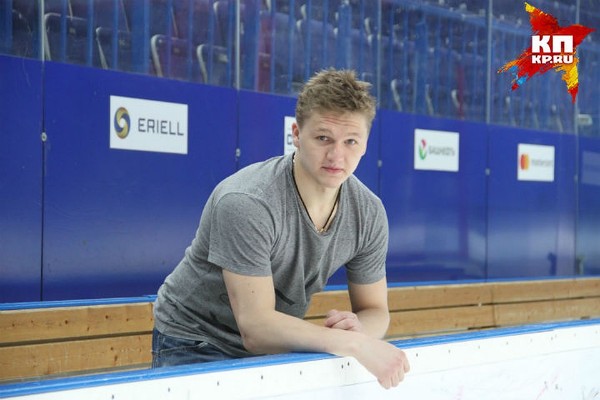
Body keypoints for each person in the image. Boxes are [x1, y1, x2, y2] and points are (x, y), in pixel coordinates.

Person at [152, 68, 410, 389]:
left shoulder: (368, 212)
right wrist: (352, 343)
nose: (337, 155)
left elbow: (376, 310)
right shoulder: (248, 200)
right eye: (323, 138)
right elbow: (257, 329)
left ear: (366, 144)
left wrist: (359, 330)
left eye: (351, 141)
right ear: (296, 134)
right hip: (196, 339)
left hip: (276, 346)